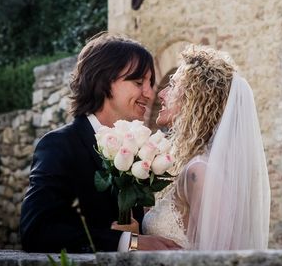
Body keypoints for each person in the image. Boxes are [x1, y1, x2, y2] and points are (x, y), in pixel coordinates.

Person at [20, 33, 181, 253]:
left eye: (150, 83)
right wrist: (127, 242)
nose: (149, 92)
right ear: (103, 80)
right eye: (138, 82)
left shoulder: (140, 151)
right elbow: (36, 230)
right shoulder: (60, 146)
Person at [140, 45, 270, 249]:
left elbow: (223, 257)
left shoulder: (199, 171)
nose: (162, 94)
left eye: (172, 85)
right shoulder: (184, 166)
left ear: (194, 99)